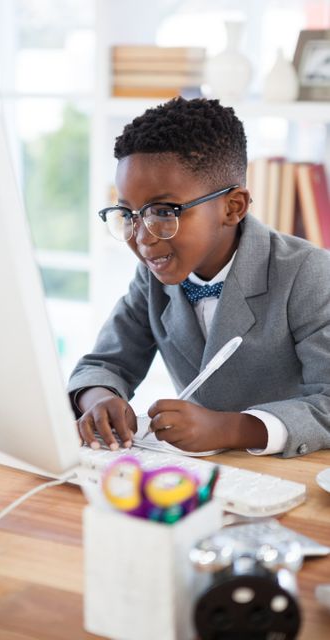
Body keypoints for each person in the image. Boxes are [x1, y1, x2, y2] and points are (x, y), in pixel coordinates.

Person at [68, 97, 330, 458]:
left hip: (294, 471)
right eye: (128, 214)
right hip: (201, 478)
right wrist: (100, 399)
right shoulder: (152, 277)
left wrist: (231, 428)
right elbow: (104, 364)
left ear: (232, 207)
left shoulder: (309, 273)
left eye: (163, 211)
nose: (143, 237)